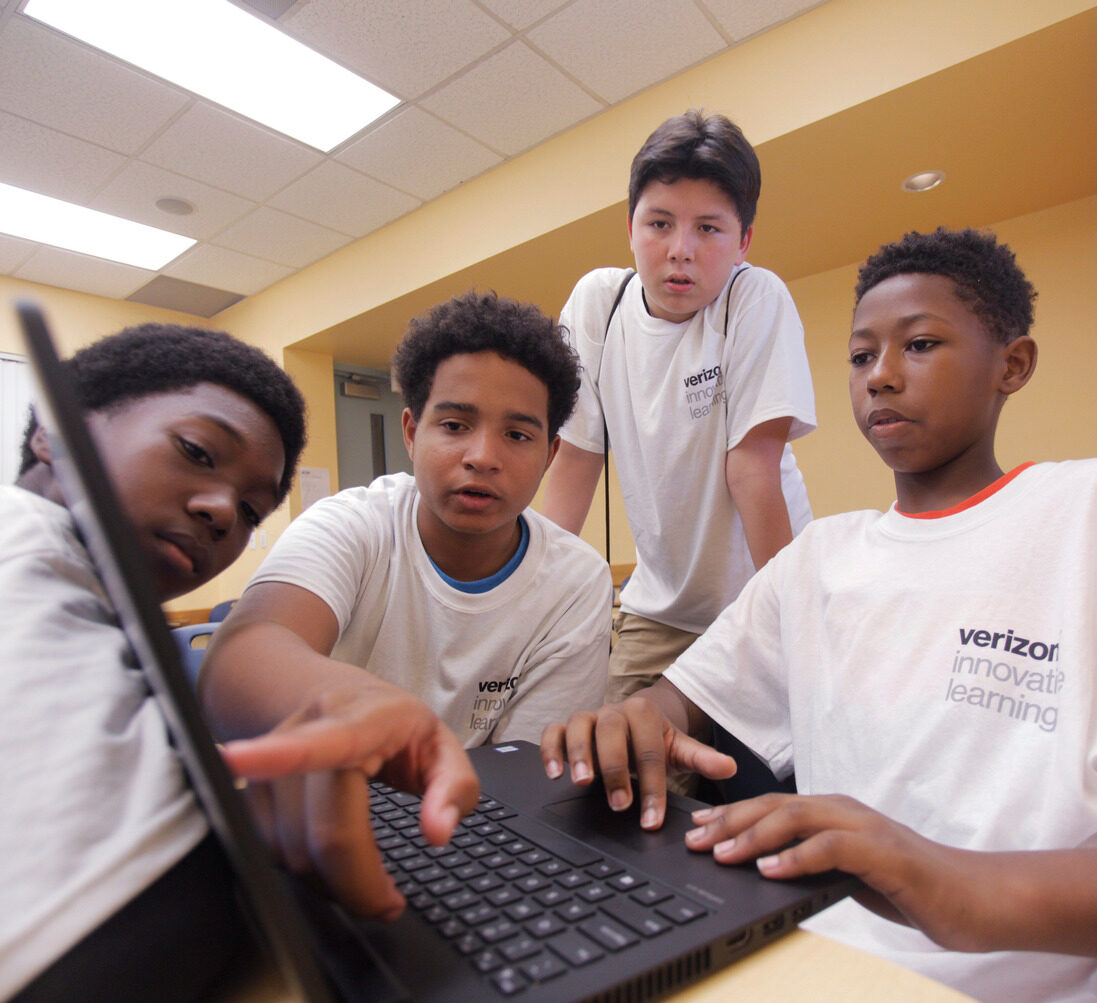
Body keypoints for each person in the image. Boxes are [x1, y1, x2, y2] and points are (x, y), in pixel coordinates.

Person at [540, 228, 1097, 1002]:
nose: (881, 377)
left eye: (921, 344)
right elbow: (675, 703)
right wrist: (631, 721)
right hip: (810, 964)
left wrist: (925, 871)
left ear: (1013, 364)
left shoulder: (1077, 516)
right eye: (861, 356)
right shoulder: (818, 559)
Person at [1, 323, 478, 1001]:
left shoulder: (98, 599)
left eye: (252, 509)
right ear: (55, 432)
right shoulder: (22, 540)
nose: (223, 509)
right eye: (196, 451)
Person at [201, 290, 611, 756]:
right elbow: (237, 666)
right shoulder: (352, 526)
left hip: (480, 813)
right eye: (455, 426)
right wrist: (379, 718)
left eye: (517, 435)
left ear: (548, 456)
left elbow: (531, 771)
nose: (482, 457)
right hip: (327, 790)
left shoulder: (576, 581)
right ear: (412, 433)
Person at [540, 109, 816, 707]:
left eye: (709, 229)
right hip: (656, 606)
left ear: (743, 241)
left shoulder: (752, 297)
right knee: (616, 766)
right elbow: (575, 465)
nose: (680, 251)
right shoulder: (598, 304)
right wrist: (527, 599)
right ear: (631, 226)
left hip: (756, 593)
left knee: (755, 780)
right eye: (659, 223)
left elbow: (753, 467)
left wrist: (790, 618)